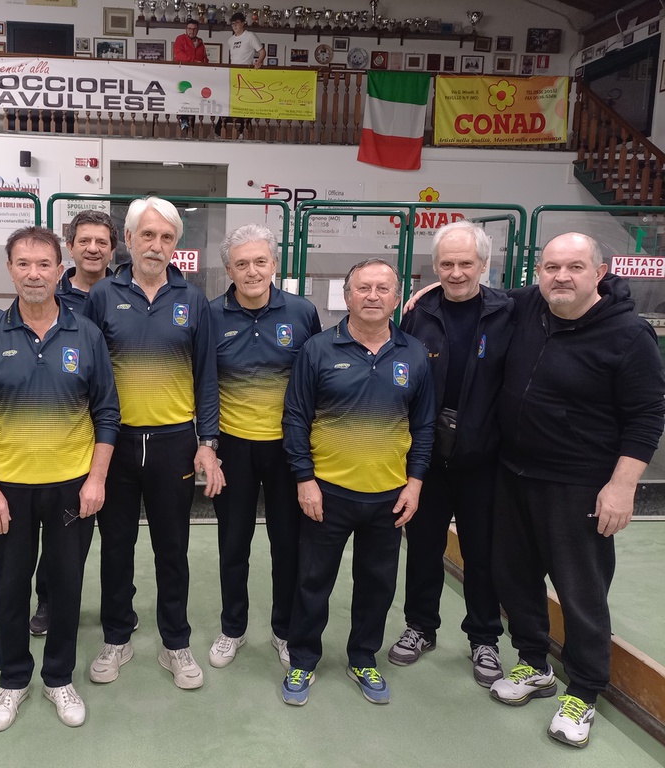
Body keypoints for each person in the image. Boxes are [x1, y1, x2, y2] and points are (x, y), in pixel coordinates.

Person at [488, 232, 665, 748]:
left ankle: (584, 691)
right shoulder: (530, 305)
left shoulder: (628, 335)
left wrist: (622, 486)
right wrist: (427, 292)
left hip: (580, 483)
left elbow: (647, 415)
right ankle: (533, 663)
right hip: (514, 473)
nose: (561, 276)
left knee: (580, 591)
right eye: (551, 267)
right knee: (515, 577)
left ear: (599, 273)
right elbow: (476, 293)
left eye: (574, 267)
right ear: (538, 272)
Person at [0, 226, 120, 732]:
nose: (34, 274)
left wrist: (96, 480)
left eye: (43, 264)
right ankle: (13, 680)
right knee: (11, 588)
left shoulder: (86, 335)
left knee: (66, 586)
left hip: (72, 486)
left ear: (59, 269)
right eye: (23, 264)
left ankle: (58, 677)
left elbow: (107, 413)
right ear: (10, 270)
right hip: (8, 490)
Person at [85, 196, 225, 691]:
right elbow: (88, 375)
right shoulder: (102, 296)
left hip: (173, 445)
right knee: (116, 547)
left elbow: (206, 376)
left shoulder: (193, 300)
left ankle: (175, 643)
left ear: (175, 245)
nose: (156, 245)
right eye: (147, 235)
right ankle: (117, 637)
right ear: (128, 239)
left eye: (166, 237)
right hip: (115, 444)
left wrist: (207, 441)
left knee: (173, 548)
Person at [281, 258, 434, 707]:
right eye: (363, 288)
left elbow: (424, 426)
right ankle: (302, 659)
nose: (372, 296)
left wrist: (415, 483)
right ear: (346, 296)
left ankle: (363, 657)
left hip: (389, 496)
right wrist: (304, 479)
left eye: (383, 288)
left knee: (377, 584)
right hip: (327, 493)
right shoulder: (317, 350)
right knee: (312, 581)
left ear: (397, 298)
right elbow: (295, 417)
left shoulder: (414, 354)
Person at [388, 221, 513, 687]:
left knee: (482, 553)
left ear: (484, 264)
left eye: (466, 263)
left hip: (484, 457)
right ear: (435, 266)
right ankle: (421, 627)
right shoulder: (417, 314)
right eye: (447, 264)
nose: (456, 272)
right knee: (423, 548)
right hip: (426, 457)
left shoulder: (509, 310)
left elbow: (572, 286)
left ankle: (484, 638)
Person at [207, 224, 321, 670]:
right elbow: (204, 383)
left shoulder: (302, 312)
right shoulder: (211, 315)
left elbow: (314, 381)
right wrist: (207, 443)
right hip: (233, 448)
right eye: (241, 264)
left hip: (287, 449)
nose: (252, 271)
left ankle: (284, 630)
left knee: (287, 545)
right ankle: (232, 628)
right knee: (233, 544)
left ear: (274, 264)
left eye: (260, 261)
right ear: (229, 270)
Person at [30, 209, 118, 637]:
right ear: (70, 247)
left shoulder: (126, 292)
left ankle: (118, 606)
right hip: (63, 434)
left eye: (102, 241)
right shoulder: (48, 296)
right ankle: (49, 600)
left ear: (113, 249)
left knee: (117, 533)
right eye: (84, 240)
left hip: (113, 430)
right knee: (61, 532)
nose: (93, 248)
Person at [216, 13, 265, 138]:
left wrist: (259, 62)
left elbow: (262, 52)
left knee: (246, 103)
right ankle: (218, 130)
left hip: (246, 75)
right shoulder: (230, 40)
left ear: (243, 23)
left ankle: (243, 130)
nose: (235, 26)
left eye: (237, 23)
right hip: (233, 75)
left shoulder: (250, 36)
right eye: (232, 24)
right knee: (228, 102)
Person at [173, 19, 209, 132]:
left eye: (194, 29)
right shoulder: (180, 39)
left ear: (197, 30)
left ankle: (191, 126)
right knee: (183, 99)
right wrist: (194, 61)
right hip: (182, 75)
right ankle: (184, 123)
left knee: (193, 101)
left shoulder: (201, 42)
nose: (192, 31)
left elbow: (204, 58)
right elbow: (179, 55)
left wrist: (207, 65)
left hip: (196, 76)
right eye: (189, 28)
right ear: (186, 29)